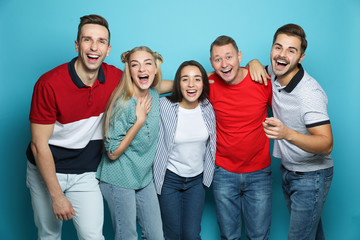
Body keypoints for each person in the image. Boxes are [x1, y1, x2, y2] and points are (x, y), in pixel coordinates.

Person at [26, 15, 172, 239]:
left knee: (93, 235)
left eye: (101, 41)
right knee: (49, 233)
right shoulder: (49, 84)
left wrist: (200, 80)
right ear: (77, 45)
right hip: (47, 169)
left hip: (85, 171)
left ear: (108, 49)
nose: (94, 47)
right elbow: (38, 146)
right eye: (87, 40)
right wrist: (56, 195)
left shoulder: (115, 78)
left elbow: (150, 83)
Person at [250, 24, 334, 240]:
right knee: (312, 234)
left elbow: (326, 145)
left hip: (311, 176)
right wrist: (253, 62)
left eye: (291, 50)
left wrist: (286, 133)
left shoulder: (308, 93)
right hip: (289, 171)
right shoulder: (274, 73)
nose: (282, 55)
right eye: (278, 47)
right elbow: (259, 68)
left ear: (301, 58)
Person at [208, 35, 273, 240]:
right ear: (211, 62)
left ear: (239, 56)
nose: (224, 64)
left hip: (260, 173)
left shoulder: (261, 81)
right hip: (223, 172)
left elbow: (287, 110)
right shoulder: (208, 84)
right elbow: (178, 88)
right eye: (218, 59)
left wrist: (255, 63)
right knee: (229, 236)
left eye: (229, 57)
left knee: (259, 236)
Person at [96, 46, 164, 240]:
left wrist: (201, 78)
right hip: (118, 179)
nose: (142, 69)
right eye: (135, 65)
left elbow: (176, 85)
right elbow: (112, 152)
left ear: (155, 68)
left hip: (143, 178)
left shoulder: (154, 94)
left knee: (156, 236)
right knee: (127, 236)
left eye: (147, 63)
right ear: (129, 71)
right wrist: (139, 121)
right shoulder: (123, 103)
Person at [153, 60, 216, 240]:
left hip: (196, 181)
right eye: (185, 79)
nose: (191, 85)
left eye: (197, 79)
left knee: (191, 235)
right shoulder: (165, 105)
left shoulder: (207, 108)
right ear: (177, 83)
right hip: (169, 179)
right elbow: (145, 87)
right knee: (172, 235)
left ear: (203, 83)